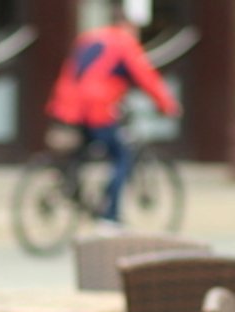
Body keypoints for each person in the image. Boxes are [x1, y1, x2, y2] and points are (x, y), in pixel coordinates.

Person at [45, 15, 180, 223]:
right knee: (122, 155)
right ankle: (110, 215)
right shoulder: (123, 43)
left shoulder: (89, 38)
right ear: (129, 26)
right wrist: (167, 105)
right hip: (96, 108)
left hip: (68, 106)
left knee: (81, 152)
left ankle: (71, 187)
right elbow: (146, 77)